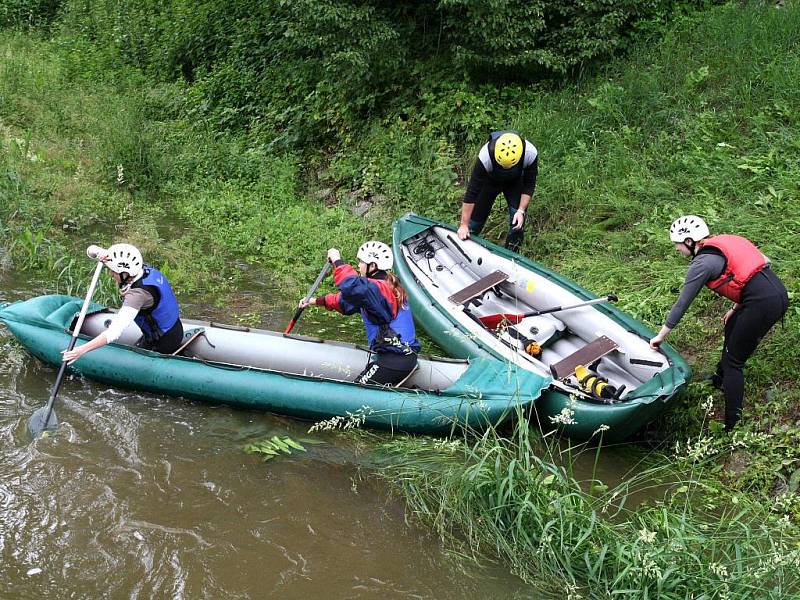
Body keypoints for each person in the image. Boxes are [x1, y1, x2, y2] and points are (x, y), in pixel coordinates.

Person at [649, 216, 788, 431]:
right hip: (776, 293)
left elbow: (682, 303)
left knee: (734, 362)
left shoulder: (703, 263)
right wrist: (735, 308)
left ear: (689, 241)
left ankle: (732, 424)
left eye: (677, 245)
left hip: (762, 304)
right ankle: (719, 378)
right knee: (731, 327)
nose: (677, 250)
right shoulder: (723, 242)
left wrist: (660, 336)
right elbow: (752, 272)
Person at [298, 241, 421, 386]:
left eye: (361, 262)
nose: (359, 265)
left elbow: (351, 286)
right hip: (401, 356)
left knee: (356, 390)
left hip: (395, 359)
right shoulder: (381, 287)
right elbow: (345, 302)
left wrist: (337, 261)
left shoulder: (378, 289)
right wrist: (315, 301)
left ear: (373, 266)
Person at [62, 243, 184, 363]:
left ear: (126, 273)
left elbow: (114, 332)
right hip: (171, 328)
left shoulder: (137, 295)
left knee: (135, 363)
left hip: (163, 340)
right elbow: (91, 250)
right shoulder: (140, 269)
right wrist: (99, 254)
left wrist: (81, 350)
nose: (110, 274)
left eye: (113, 271)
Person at [457, 130, 538, 252]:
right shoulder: (485, 156)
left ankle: (512, 254)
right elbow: (472, 192)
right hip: (490, 181)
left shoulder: (530, 153)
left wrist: (521, 211)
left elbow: (529, 184)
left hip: (515, 182)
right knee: (474, 221)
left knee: (517, 222)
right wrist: (463, 225)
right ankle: (465, 247)